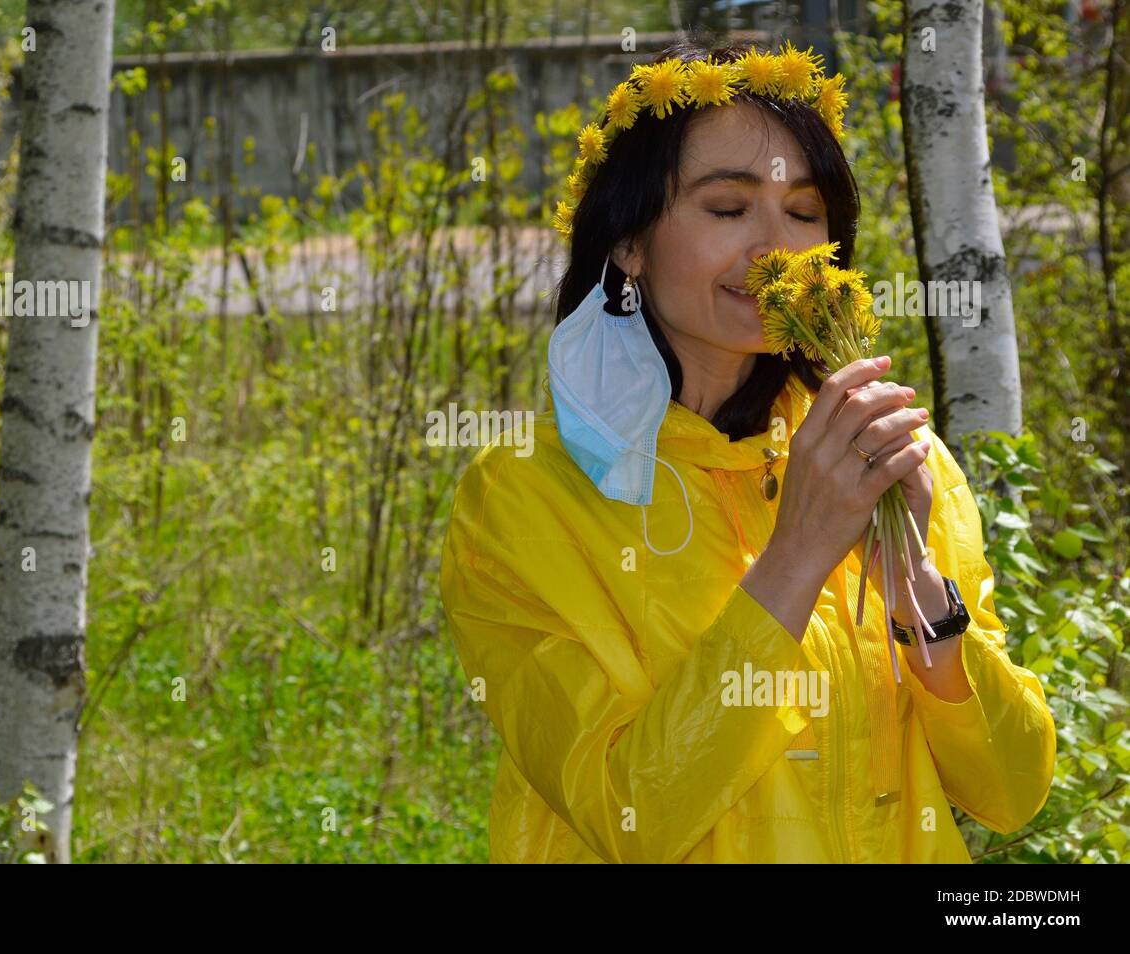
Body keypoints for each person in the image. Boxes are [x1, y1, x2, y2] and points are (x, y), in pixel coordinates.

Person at [438, 37, 1055, 863]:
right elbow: (632, 814)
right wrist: (796, 555)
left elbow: (1013, 793)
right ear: (628, 243)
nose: (776, 249)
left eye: (804, 214)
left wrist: (924, 609)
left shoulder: (888, 459)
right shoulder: (521, 500)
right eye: (728, 210)